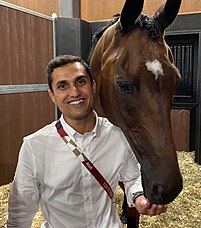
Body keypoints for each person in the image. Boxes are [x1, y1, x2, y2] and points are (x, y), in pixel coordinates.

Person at [7, 55, 167, 228]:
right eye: (63, 86)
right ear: (52, 96)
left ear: (93, 86)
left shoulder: (117, 135)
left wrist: (139, 196)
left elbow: (133, 177)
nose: (74, 92)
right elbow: (21, 209)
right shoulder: (34, 146)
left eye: (81, 82)